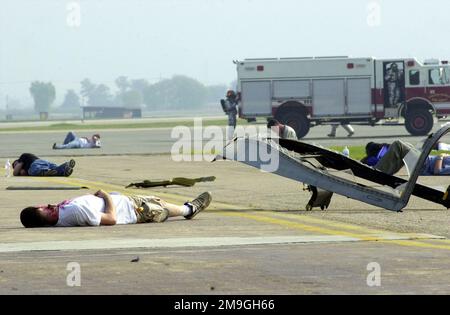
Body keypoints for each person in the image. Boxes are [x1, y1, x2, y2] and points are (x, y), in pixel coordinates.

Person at [19, 190, 212, 228]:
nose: (50, 206)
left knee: (160, 201)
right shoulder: (74, 213)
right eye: (47, 210)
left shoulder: (61, 214)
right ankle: (190, 209)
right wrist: (107, 196)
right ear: (45, 220)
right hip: (133, 210)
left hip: (127, 203)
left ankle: (187, 209)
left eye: (43, 205)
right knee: (163, 206)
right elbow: (111, 219)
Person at [361, 140, 450, 176]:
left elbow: (437, 171)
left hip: (424, 165)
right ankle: (383, 170)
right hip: (424, 160)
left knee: (398, 145)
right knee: (405, 145)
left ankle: (378, 171)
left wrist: (440, 157)